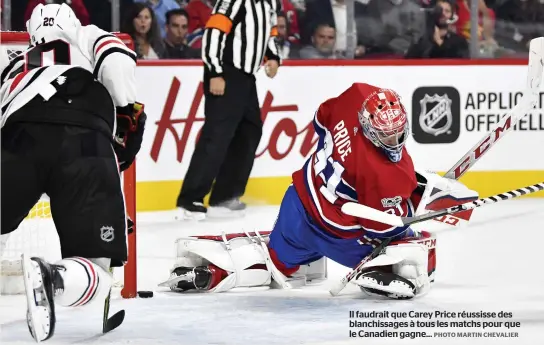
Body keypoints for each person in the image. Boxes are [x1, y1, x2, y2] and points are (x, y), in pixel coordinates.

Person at [160, 83, 479, 299]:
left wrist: (408, 187)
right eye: (387, 135)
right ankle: (384, 272)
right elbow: (380, 227)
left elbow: (320, 119)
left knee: (278, 263)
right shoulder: (389, 175)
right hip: (336, 233)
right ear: (370, 128)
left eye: (398, 134)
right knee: (409, 244)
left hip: (298, 204)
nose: (394, 142)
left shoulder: (355, 98)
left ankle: (215, 270)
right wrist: (427, 206)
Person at [0, 3, 145, 341]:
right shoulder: (88, 38)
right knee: (98, 267)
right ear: (74, 22)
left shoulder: (12, 67)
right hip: (85, 143)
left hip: (17, 141)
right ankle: (54, 277)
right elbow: (119, 64)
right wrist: (126, 119)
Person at [175, 0, 281, 220]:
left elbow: (269, 31)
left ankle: (224, 196)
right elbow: (214, 32)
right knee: (217, 135)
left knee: (250, 131)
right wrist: (215, 71)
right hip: (226, 70)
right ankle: (190, 199)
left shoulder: (270, 2)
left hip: (246, 75)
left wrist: (273, 57)